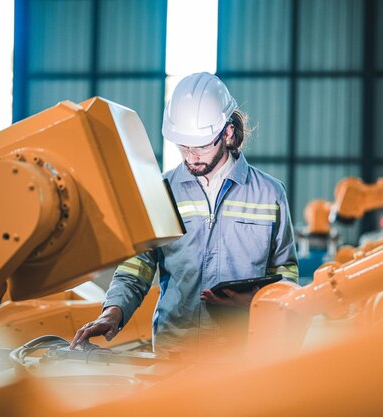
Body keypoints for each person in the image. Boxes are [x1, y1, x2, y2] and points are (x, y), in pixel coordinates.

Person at [71, 72, 298, 354]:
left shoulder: (270, 194)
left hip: (243, 354)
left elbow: (285, 272)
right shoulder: (161, 191)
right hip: (175, 350)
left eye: (201, 146)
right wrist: (112, 313)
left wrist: (257, 302)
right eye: (183, 146)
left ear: (227, 134)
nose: (191, 157)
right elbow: (137, 268)